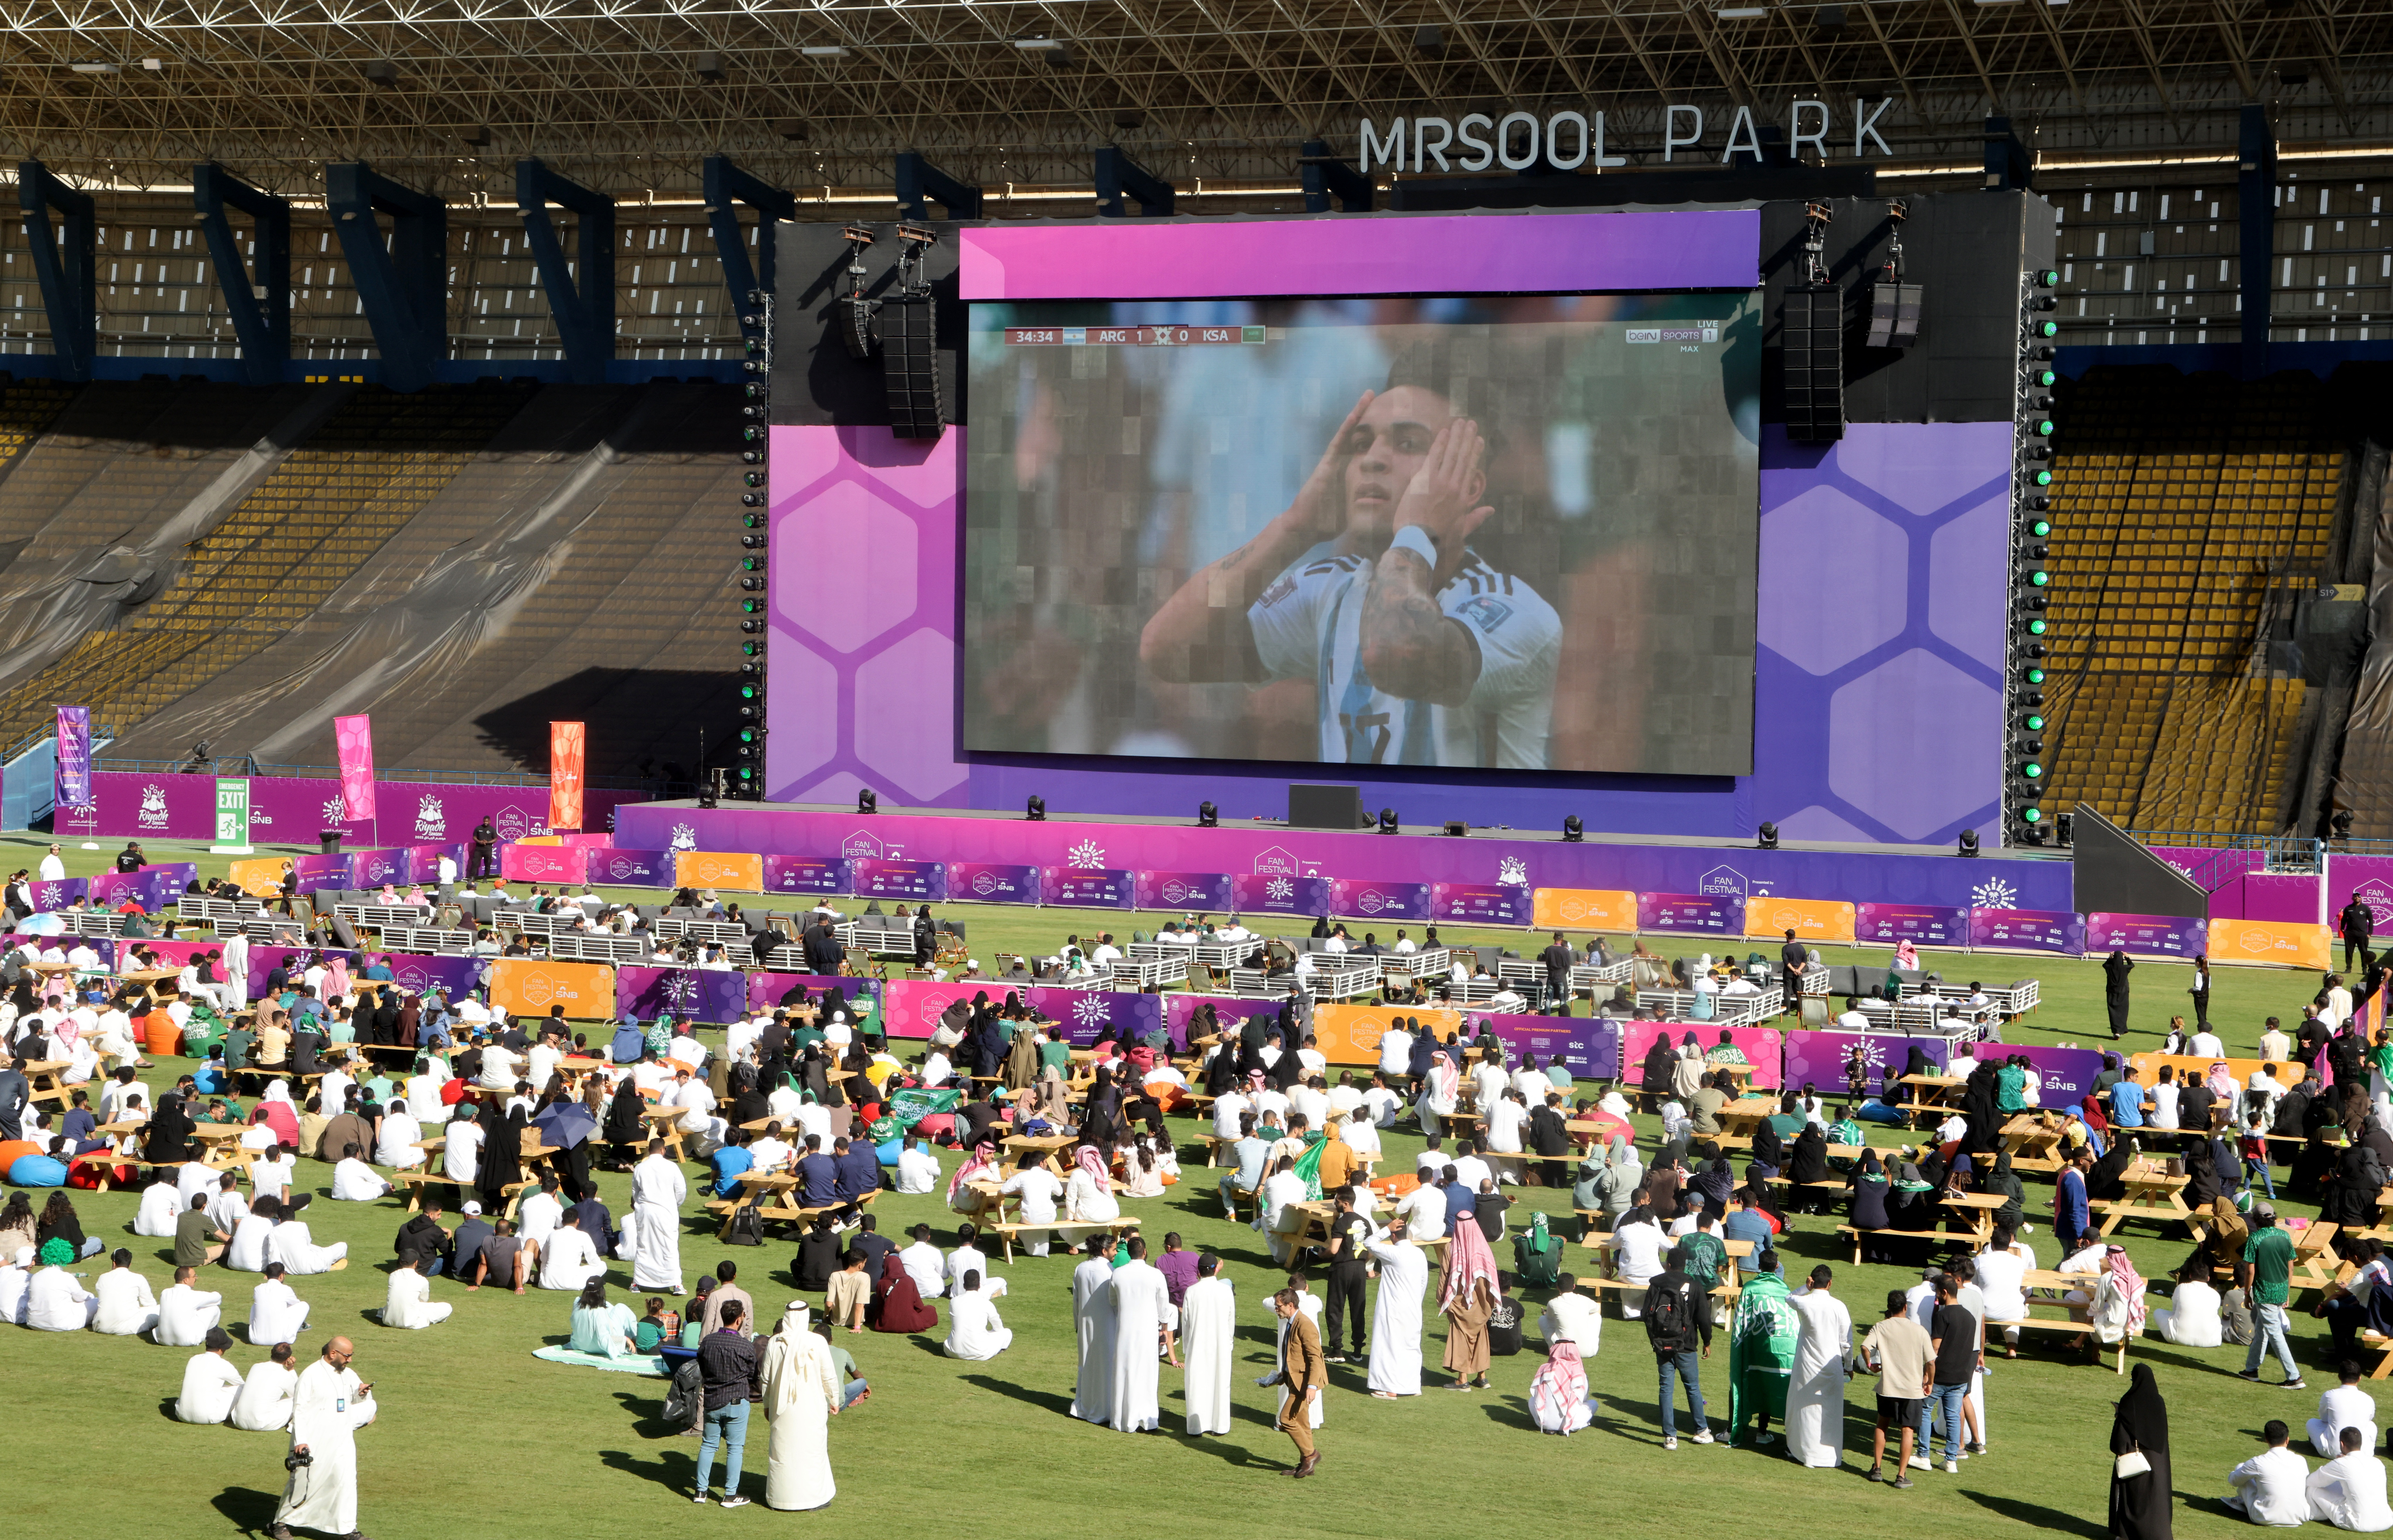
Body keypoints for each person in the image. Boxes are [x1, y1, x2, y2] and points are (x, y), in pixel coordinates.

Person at [1137, 357, 1563, 769]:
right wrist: (1294, 528)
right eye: (1362, 444)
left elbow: (1395, 653)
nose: (1373, 459)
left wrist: (1416, 529)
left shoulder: (1515, 612)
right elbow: (1167, 651)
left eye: (1407, 443)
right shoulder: (1330, 593)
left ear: (1469, 487)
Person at [269, 1336, 377, 1540]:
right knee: (303, 1483)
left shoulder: (348, 1374)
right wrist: (301, 1440)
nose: (350, 1360)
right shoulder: (310, 1375)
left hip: (342, 1439)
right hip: (313, 1439)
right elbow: (299, 1409)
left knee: (345, 1482)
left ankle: (347, 1529)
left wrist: (361, 1393)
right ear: (333, 1354)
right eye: (348, 1355)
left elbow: (355, 1397)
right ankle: (280, 1523)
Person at [760, 1301, 841, 1512]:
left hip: (782, 1408)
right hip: (810, 1408)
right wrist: (834, 1399)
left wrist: (767, 1405)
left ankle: (783, 1498)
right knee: (808, 1451)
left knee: (785, 1451)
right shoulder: (815, 1341)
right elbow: (829, 1374)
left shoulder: (775, 1342)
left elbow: (765, 1380)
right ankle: (809, 1499)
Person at [1645, 1242, 1713, 1449]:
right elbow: (1703, 1316)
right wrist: (1707, 1341)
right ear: (1685, 1265)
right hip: (1687, 1344)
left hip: (1662, 1344)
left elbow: (1646, 1315)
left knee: (1666, 1388)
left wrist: (1654, 1340)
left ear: (1667, 1264)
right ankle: (1701, 1430)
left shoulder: (1655, 1284)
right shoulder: (1693, 1285)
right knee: (1692, 1387)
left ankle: (1670, 1437)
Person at [695, 1297, 761, 1508]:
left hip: (712, 1400)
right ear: (740, 1319)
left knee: (708, 1445)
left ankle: (700, 1491)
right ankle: (730, 1495)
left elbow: (702, 1366)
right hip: (736, 1402)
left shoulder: (708, 1341)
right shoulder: (745, 1345)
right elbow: (753, 1374)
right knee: (735, 1448)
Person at [1861, 1287, 1931, 1486]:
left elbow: (1865, 1347)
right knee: (1907, 1430)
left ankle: (1877, 1468)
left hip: (1888, 1387)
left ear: (1888, 1307)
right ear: (1905, 1307)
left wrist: (1870, 1364)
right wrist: (1929, 1381)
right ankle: (1901, 1475)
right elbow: (1931, 1361)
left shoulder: (1880, 1327)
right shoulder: (1919, 1330)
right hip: (1912, 1389)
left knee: (1882, 1424)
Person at [1785, 1263, 1852, 1469]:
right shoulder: (1839, 1306)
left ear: (1813, 1281)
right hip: (1832, 1366)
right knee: (1829, 1410)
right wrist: (1849, 1365)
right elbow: (1846, 1341)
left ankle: (1805, 1452)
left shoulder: (1804, 1302)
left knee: (1805, 1410)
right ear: (1830, 1283)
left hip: (1807, 1366)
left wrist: (1805, 1288)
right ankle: (1828, 1456)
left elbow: (1788, 1297)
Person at [1108, 1236, 1177, 1431]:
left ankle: (1122, 1418)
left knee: (1124, 1370)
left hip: (1125, 1330)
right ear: (1145, 1252)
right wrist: (1164, 1326)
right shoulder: (1155, 1275)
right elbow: (1164, 1307)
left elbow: (1113, 1301)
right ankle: (1147, 1419)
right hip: (1147, 1331)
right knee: (1147, 1373)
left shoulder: (1118, 1274)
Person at [1730, 1254, 1798, 1449]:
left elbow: (1740, 1320)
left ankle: (1735, 1426)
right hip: (1777, 1350)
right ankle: (1762, 1431)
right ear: (1777, 1266)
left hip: (1753, 1348)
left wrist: (1739, 1346)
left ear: (1758, 1266)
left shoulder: (1750, 1288)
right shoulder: (1783, 1289)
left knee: (1749, 1382)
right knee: (1768, 1386)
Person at [2244, 1205, 2308, 1389]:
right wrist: (2287, 1291)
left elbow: (2250, 1269)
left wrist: (2247, 1293)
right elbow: (2291, 1267)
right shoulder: (2285, 1236)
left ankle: (2294, 1377)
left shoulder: (2255, 1238)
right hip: (2280, 1290)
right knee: (2262, 1329)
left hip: (2265, 1291)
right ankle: (2251, 1369)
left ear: (2256, 1220)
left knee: (2275, 1334)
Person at [1366, 1220, 1430, 1398]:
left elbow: (1369, 1243)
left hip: (1394, 1308)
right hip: (1414, 1307)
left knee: (1389, 1345)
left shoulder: (1394, 1252)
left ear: (1394, 1235)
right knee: (1411, 1346)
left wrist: (1386, 1229)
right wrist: (1417, 1300)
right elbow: (1424, 1281)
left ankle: (1390, 1389)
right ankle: (1412, 1386)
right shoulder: (1419, 1253)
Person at [2111, 1362, 2175, 1540]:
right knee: (2156, 1502)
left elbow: (2120, 1443)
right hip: (2159, 1463)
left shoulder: (2129, 1402)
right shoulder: (2159, 1402)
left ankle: (2127, 1535)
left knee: (2132, 1500)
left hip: (2135, 1462)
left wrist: (2119, 1417)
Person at [1270, 1284, 1328, 1477]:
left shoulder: (1305, 1325)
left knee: (1286, 1419)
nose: (1276, 1309)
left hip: (1303, 1384)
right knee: (1303, 1424)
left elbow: (1315, 1358)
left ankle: (1311, 1455)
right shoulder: (1292, 1322)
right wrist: (1281, 1376)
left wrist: (1311, 1386)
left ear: (1291, 1305)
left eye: (1279, 1306)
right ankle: (1306, 1463)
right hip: (1295, 1380)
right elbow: (1293, 1356)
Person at [1440, 1213, 1499, 1391]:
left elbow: (1444, 1277)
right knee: (1481, 1337)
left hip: (1460, 1303)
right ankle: (1482, 1378)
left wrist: (1442, 1300)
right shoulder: (1484, 1248)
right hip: (1481, 1304)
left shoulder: (1451, 1248)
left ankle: (1462, 1379)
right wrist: (1490, 1302)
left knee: (1460, 1338)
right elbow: (1492, 1277)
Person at [1180, 1252, 1237, 1435]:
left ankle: (1197, 1427)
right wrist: (1229, 1343)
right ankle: (1219, 1426)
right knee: (1220, 1384)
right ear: (1215, 1270)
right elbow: (1231, 1321)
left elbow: (1186, 1323)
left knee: (1198, 1385)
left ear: (1199, 1272)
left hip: (1198, 1346)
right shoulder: (1225, 1290)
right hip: (1220, 1345)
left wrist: (1187, 1348)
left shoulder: (1192, 1291)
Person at [629, 1139, 686, 1294]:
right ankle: (677, 1285)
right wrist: (675, 1205)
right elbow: (681, 1191)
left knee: (644, 1244)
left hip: (646, 1211)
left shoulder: (640, 1168)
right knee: (669, 1246)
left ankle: (637, 1283)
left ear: (650, 1150)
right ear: (663, 1150)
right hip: (666, 1212)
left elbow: (635, 1193)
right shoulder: (672, 1167)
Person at [2311, 1425, 2393, 1531]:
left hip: (2358, 1524)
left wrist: (2338, 1463)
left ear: (2342, 1444)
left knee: (2312, 1489)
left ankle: (2315, 1515)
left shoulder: (2341, 1463)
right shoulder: (2378, 1463)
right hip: (2387, 1521)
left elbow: (2312, 1482)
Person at [1070, 1244, 1117, 1424]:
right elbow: (1115, 1302)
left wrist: (1077, 1322)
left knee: (1085, 1365)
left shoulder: (1080, 1268)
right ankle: (1103, 1410)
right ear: (1104, 1251)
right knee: (1105, 1367)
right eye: (1113, 1249)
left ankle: (1083, 1407)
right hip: (1106, 1325)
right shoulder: (1110, 1271)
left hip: (1084, 1323)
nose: (1115, 1253)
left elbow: (1076, 1299)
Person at [176, 1327, 246, 1424]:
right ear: (222, 1348)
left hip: (181, 1415)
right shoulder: (223, 1364)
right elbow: (243, 1385)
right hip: (208, 1417)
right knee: (242, 1389)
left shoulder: (194, 1359)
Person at [943, 1270, 1012, 1360]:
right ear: (979, 1286)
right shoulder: (986, 1303)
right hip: (980, 1353)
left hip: (953, 1352)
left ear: (964, 1285)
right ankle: (996, 1349)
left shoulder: (954, 1302)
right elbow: (999, 1328)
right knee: (1007, 1333)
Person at [232, 1342, 301, 1433]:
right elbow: (297, 1393)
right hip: (262, 1424)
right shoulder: (285, 1375)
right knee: (297, 1400)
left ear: (272, 1353)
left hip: (238, 1421)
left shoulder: (256, 1366)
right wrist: (291, 1369)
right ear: (288, 1358)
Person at [2315, 1365, 2381, 1460]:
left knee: (2312, 1423)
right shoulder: (2368, 1399)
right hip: (2363, 1453)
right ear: (2359, 1379)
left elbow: (2324, 1419)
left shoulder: (2330, 1395)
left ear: (2339, 1377)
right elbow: (2369, 1420)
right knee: (2372, 1425)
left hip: (2332, 1452)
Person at [92, 1247, 159, 1337]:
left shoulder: (103, 1277)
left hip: (101, 1326)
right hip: (129, 1327)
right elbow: (149, 1304)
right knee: (160, 1309)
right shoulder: (138, 1278)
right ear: (130, 1264)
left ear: (114, 1263)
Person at [157, 1265, 225, 1347]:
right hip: (189, 1341)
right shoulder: (193, 1295)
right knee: (214, 1308)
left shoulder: (165, 1293)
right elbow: (217, 1298)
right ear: (186, 1280)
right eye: (194, 1276)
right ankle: (211, 1334)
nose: (196, 1278)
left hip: (162, 1340)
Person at [379, 1253, 450, 1330]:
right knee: (447, 1307)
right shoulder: (422, 1280)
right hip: (412, 1323)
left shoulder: (393, 1276)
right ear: (416, 1263)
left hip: (388, 1321)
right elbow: (423, 1300)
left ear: (401, 1262)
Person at [250, 1261, 310, 1347]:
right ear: (282, 1275)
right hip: (281, 1341)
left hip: (255, 1340)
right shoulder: (286, 1289)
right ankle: (299, 1327)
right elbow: (296, 1305)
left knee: (255, 1306)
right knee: (304, 1305)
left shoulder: (258, 1289)